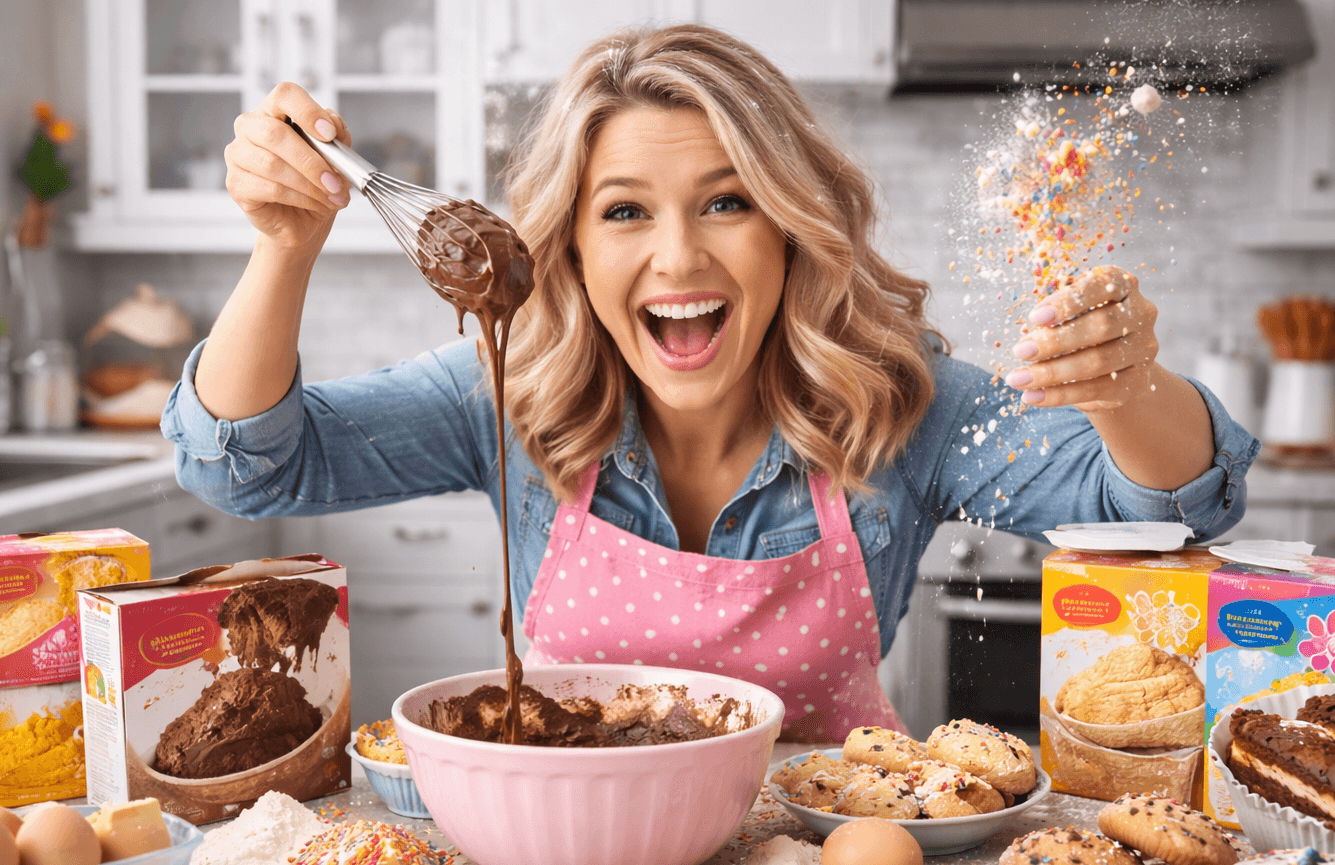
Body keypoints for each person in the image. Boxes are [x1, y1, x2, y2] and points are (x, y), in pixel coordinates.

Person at [163, 24, 1258, 742]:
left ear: (791, 230)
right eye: (626, 210)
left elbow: (1164, 505)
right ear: (574, 250)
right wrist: (286, 244)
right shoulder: (507, 388)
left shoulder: (897, 402)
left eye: (728, 202)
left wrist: (1125, 387)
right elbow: (247, 462)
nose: (679, 259)